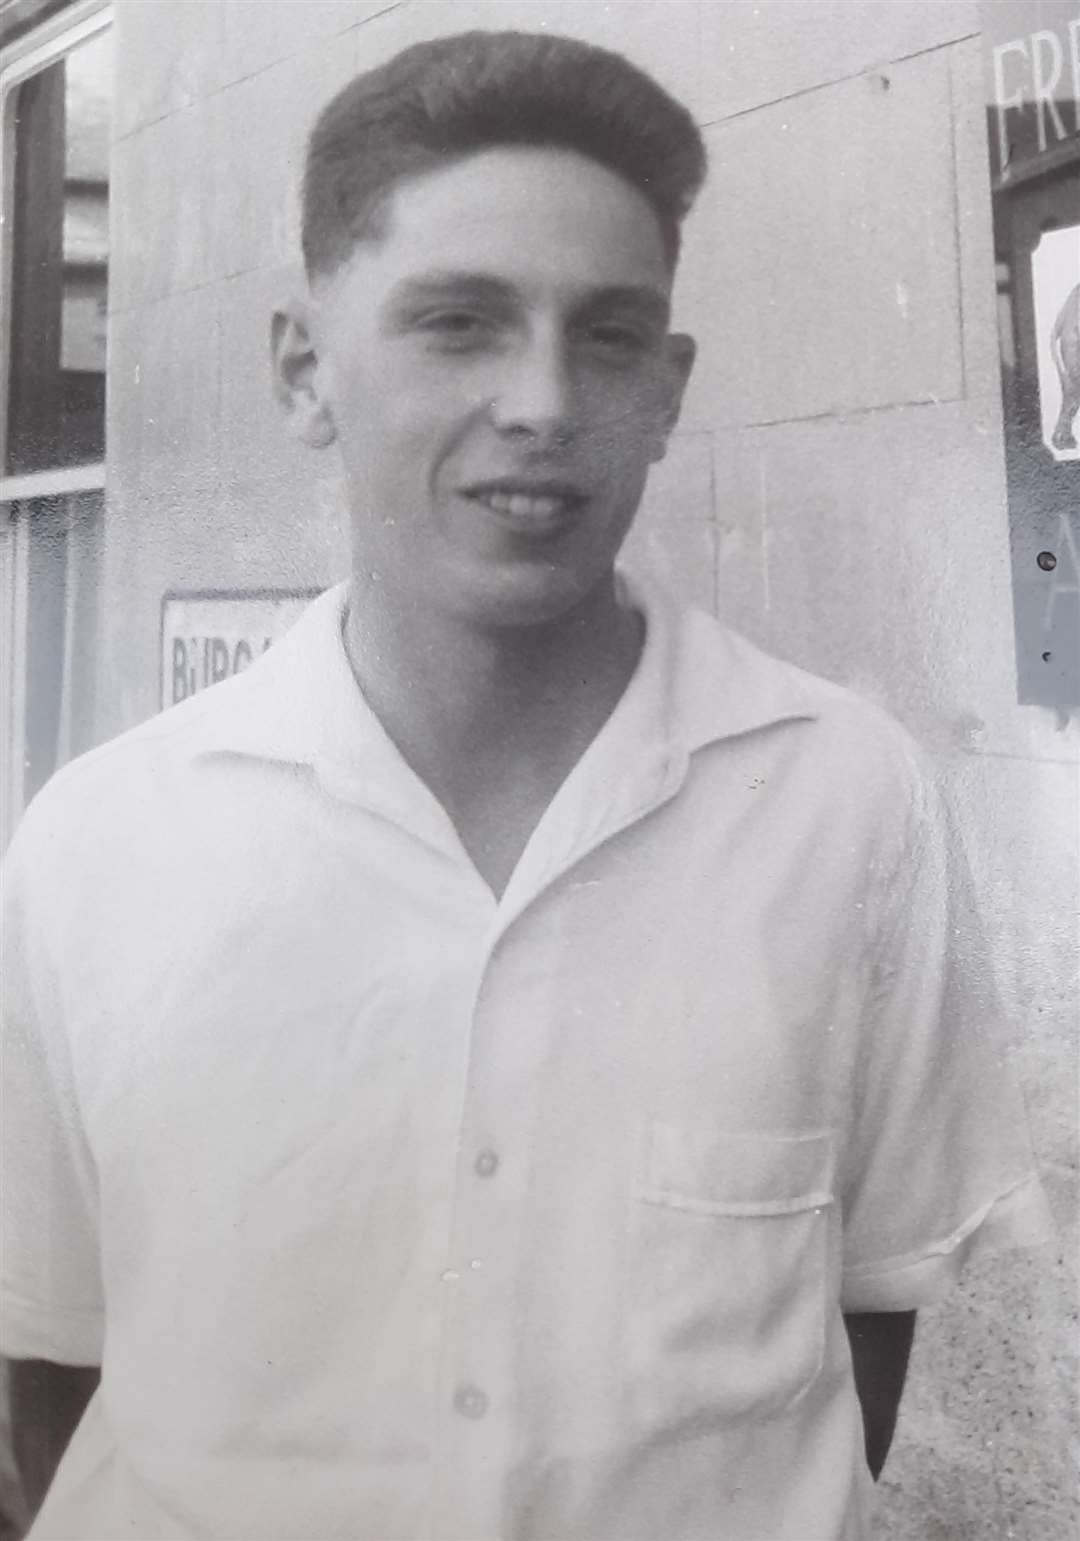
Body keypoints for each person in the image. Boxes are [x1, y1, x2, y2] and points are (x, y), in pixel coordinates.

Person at [0, 28, 1050, 1541]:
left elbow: (862, 1321)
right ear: (303, 367)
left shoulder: (846, 804)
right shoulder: (99, 845)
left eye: (610, 335)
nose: (545, 401)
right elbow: (49, 1370)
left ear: (670, 387)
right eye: (460, 322)